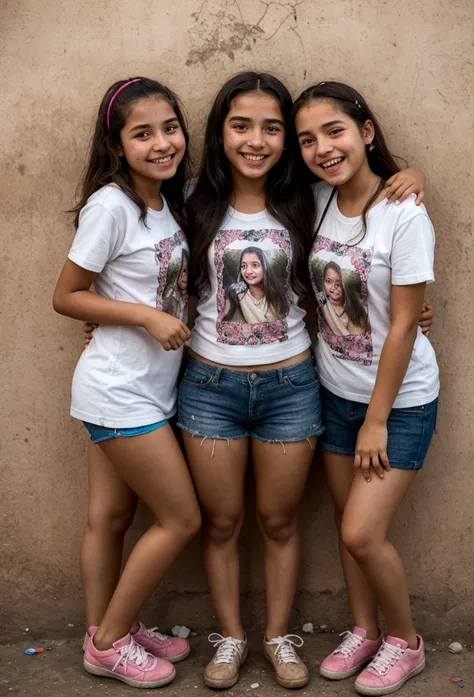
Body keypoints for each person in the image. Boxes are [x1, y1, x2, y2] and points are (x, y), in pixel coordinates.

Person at [178, 72, 429, 691]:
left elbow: (380, 255)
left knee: (293, 523)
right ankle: (236, 637)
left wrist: (413, 174)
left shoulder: (305, 199)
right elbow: (147, 264)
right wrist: (117, 317)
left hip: (298, 386)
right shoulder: (194, 201)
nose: (259, 140)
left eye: (273, 129)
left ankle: (288, 637)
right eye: (241, 125)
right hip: (216, 386)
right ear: (219, 132)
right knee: (223, 522)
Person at [53, 77, 201, 689]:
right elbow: (66, 296)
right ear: (116, 145)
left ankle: (106, 628)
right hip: (118, 391)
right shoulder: (110, 206)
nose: (161, 143)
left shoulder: (172, 199)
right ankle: (112, 644)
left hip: (143, 387)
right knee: (181, 519)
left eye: (170, 127)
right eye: (142, 134)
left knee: (111, 519)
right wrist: (145, 316)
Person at [293, 81, 439, 695]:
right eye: (307, 139)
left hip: (397, 402)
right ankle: (364, 629)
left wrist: (376, 418)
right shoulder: (316, 200)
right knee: (343, 524)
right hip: (334, 393)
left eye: (335, 131)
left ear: (366, 132)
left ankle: (405, 642)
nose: (323, 148)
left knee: (360, 532)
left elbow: (405, 323)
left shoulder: (404, 212)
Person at [223, 246, 288, 323]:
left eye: (255, 265)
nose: (248, 271)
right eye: (244, 266)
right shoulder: (235, 294)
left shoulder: (278, 293)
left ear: (265, 267)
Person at [162, 247, 189, 322]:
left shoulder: (186, 297)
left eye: (188, 270)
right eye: (183, 271)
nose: (186, 275)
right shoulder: (170, 296)